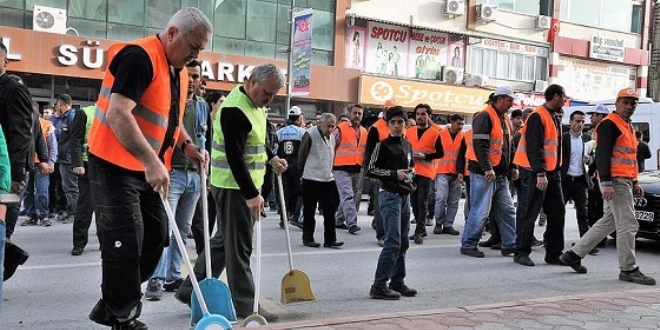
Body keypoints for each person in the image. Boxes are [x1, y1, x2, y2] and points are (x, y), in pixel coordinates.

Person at [86, 8, 212, 329]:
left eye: (201, 49)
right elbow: (118, 113)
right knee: (125, 242)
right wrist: (151, 160)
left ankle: (113, 302)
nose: (196, 55)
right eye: (194, 46)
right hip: (114, 163)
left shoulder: (178, 69)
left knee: (156, 237)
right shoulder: (139, 57)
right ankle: (123, 315)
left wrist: (187, 146)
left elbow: (168, 118)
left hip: (145, 167)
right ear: (172, 33)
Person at [175, 64, 286, 322]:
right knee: (240, 250)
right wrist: (251, 194)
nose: (269, 99)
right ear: (253, 82)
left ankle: (189, 289)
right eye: (267, 93)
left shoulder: (255, 105)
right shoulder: (235, 110)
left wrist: (271, 158)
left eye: (273, 95)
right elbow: (235, 157)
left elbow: (256, 142)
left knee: (224, 243)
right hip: (235, 188)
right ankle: (247, 308)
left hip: (240, 186)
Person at [560, 88, 656, 286]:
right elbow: (602, 154)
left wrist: (635, 182)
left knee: (609, 222)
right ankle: (629, 268)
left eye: (633, 103)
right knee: (628, 224)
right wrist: (605, 182)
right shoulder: (610, 124)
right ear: (617, 103)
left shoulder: (626, 125)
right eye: (626, 102)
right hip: (616, 182)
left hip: (623, 180)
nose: (630, 106)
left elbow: (629, 158)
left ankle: (574, 254)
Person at [144, 59, 207, 300]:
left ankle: (172, 275)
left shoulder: (201, 106)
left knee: (182, 229)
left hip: (194, 175)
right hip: (171, 173)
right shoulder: (170, 102)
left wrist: (205, 168)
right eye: (188, 76)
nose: (192, 81)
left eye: (196, 76)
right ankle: (155, 278)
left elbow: (204, 137)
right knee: (164, 228)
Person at [460, 86, 517, 258]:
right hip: (484, 173)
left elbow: (508, 145)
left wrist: (512, 166)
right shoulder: (484, 116)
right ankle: (468, 244)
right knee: (480, 210)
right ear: (499, 99)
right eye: (509, 100)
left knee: (507, 209)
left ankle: (510, 244)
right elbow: (480, 146)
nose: (511, 104)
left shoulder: (504, 118)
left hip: (499, 174)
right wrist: (487, 168)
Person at [512, 84, 566, 267]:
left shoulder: (554, 116)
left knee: (557, 212)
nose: (565, 100)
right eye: (563, 96)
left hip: (552, 172)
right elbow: (534, 148)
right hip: (536, 172)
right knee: (529, 212)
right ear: (556, 96)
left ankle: (554, 253)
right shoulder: (538, 116)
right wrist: (540, 173)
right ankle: (521, 252)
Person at [367, 105, 417, 300]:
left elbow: (409, 166)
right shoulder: (382, 145)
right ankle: (379, 285)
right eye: (393, 122)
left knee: (403, 241)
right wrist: (394, 174)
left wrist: (410, 173)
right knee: (393, 242)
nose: (397, 126)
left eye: (400, 122)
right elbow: (371, 170)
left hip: (404, 196)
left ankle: (397, 281)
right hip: (389, 195)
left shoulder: (408, 145)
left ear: (405, 124)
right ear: (388, 125)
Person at [0, 42, 34, 282]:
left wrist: (16, 175)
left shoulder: (13, 89)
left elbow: (21, 133)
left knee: (2, 226)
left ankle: (8, 256)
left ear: (5, 62)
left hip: (7, 170)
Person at [298, 113, 343, 248]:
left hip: (327, 178)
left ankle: (330, 239)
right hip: (311, 178)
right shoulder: (310, 134)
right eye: (328, 126)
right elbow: (302, 155)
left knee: (330, 209)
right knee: (309, 211)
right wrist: (301, 174)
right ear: (320, 124)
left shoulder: (333, 138)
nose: (330, 129)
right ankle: (308, 238)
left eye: (332, 126)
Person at [190, 91, 224, 255]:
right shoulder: (206, 119)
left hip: (214, 173)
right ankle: (203, 247)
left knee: (209, 211)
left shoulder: (221, 121)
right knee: (202, 213)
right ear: (213, 104)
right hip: (200, 170)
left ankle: (205, 247)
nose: (224, 105)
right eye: (221, 101)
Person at [406, 104, 444, 245]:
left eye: (423, 114)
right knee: (414, 202)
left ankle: (419, 232)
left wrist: (425, 156)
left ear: (429, 116)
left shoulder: (435, 133)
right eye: (418, 114)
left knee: (422, 202)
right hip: (411, 172)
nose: (420, 117)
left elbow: (440, 153)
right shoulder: (409, 132)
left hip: (426, 173)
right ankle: (421, 229)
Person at [50, 94, 87, 224]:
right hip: (65, 157)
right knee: (67, 187)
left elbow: (75, 139)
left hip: (68, 158)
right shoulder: (66, 117)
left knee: (71, 187)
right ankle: (71, 211)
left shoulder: (71, 117)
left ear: (60, 104)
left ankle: (75, 213)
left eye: (58, 105)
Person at [560, 110, 594, 251]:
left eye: (582, 121)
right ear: (571, 122)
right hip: (566, 179)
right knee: (558, 212)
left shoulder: (586, 138)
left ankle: (585, 245)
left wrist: (589, 160)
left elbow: (592, 157)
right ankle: (553, 240)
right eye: (577, 121)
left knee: (583, 212)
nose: (580, 124)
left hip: (580, 180)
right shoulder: (563, 138)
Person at [365, 100, 396, 246]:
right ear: (384, 110)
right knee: (380, 203)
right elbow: (370, 152)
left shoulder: (399, 126)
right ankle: (381, 235)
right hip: (380, 172)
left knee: (392, 204)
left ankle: (389, 231)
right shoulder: (375, 128)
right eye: (388, 109)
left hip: (395, 172)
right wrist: (372, 173)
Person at [333, 104, 367, 234]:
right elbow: (331, 147)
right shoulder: (340, 129)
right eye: (355, 113)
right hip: (340, 168)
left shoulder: (364, 132)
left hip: (356, 169)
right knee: (348, 195)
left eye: (360, 113)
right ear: (350, 114)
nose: (357, 115)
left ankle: (339, 220)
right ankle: (352, 223)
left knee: (348, 196)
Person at [432, 114, 465, 237]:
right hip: (442, 171)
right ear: (451, 122)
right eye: (458, 123)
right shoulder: (440, 134)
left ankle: (448, 224)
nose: (460, 126)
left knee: (454, 201)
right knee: (441, 198)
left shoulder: (463, 136)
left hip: (456, 173)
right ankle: (439, 223)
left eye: (462, 124)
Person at [275, 106, 307, 227]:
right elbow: (305, 151)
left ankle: (283, 218)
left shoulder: (279, 132)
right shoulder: (303, 132)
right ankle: (296, 215)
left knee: (284, 192)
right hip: (297, 166)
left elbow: (274, 150)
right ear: (299, 118)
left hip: (283, 164)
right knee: (300, 192)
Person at [71, 102, 96, 255]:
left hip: (108, 167)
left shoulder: (115, 113)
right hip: (88, 166)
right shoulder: (85, 113)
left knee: (108, 209)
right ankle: (79, 243)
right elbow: (75, 140)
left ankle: (106, 241)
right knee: (85, 207)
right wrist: (77, 163)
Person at [585, 104, 608, 248]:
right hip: (597, 174)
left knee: (597, 208)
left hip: (599, 176)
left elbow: (600, 154)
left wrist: (592, 171)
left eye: (592, 115)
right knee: (596, 208)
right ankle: (597, 239)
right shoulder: (597, 131)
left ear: (599, 116)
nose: (590, 117)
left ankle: (597, 240)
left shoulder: (603, 130)